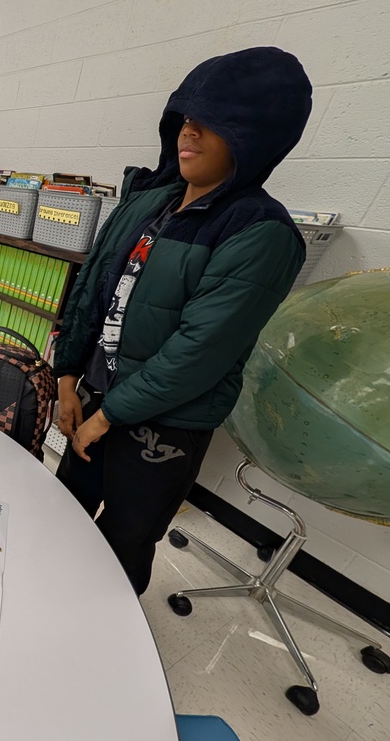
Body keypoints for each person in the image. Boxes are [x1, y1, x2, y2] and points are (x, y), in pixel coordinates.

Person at [51, 47, 312, 595]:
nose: (187, 134)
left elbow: (198, 353)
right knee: (62, 519)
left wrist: (108, 417)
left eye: (209, 124)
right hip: (96, 396)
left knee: (121, 547)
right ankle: (47, 608)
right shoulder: (153, 200)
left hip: (159, 428)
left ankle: (102, 652)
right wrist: (68, 375)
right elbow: (91, 286)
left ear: (251, 138)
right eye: (185, 119)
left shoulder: (259, 232)